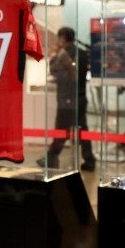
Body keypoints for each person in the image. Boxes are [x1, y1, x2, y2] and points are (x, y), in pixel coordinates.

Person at [39, 27, 96, 171]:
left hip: (68, 98)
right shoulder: (81, 53)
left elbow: (54, 69)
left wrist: (56, 55)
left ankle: (51, 157)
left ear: (63, 38)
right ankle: (89, 159)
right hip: (79, 97)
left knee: (62, 128)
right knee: (81, 129)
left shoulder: (65, 54)